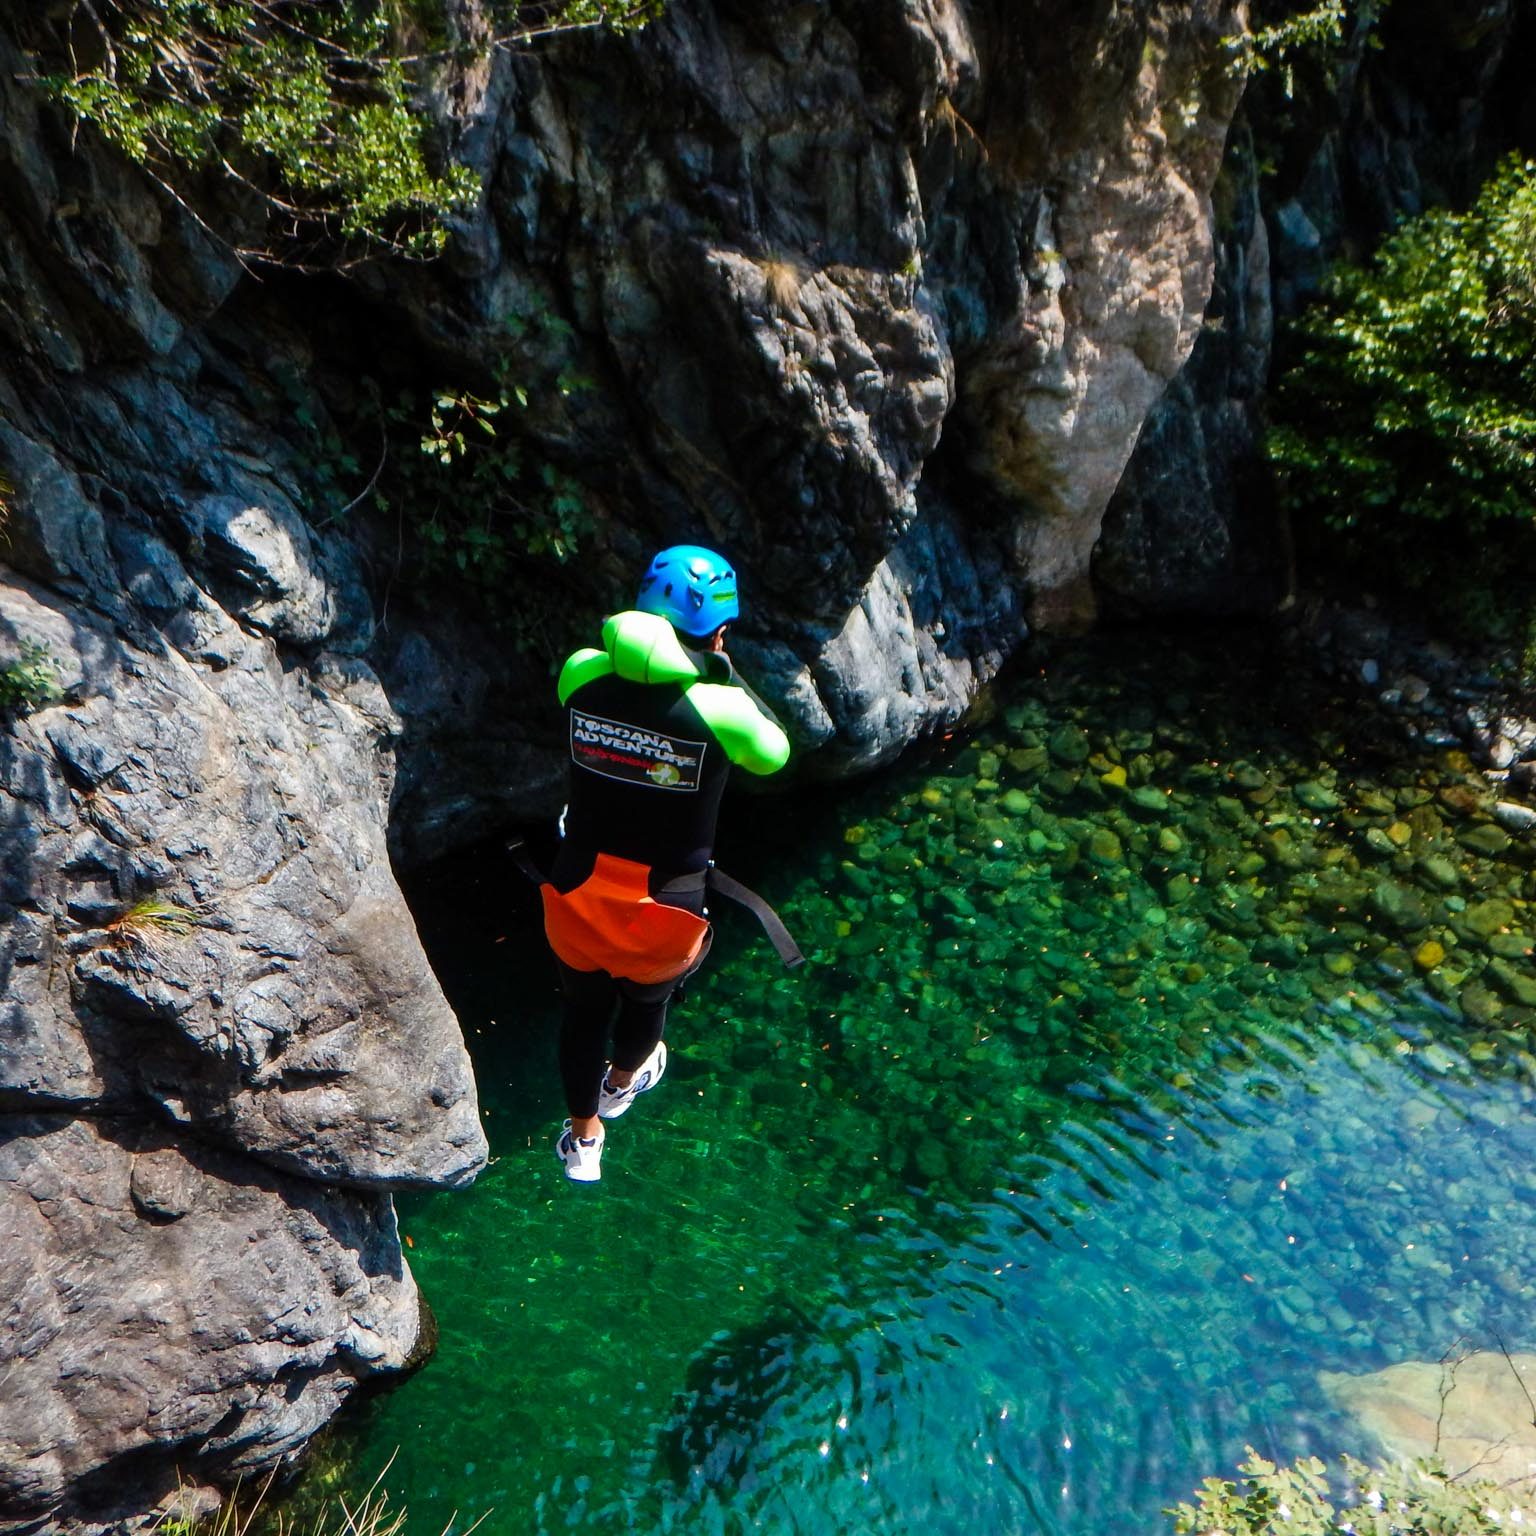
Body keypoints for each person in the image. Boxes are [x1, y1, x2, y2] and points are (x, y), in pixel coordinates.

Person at [535, 545, 792, 1182]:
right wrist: (719, 674)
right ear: (719, 631)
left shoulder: (580, 674)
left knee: (583, 1013)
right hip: (663, 910)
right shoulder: (723, 709)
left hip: (577, 893)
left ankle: (584, 1140)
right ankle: (623, 1083)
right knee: (647, 1004)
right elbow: (775, 754)